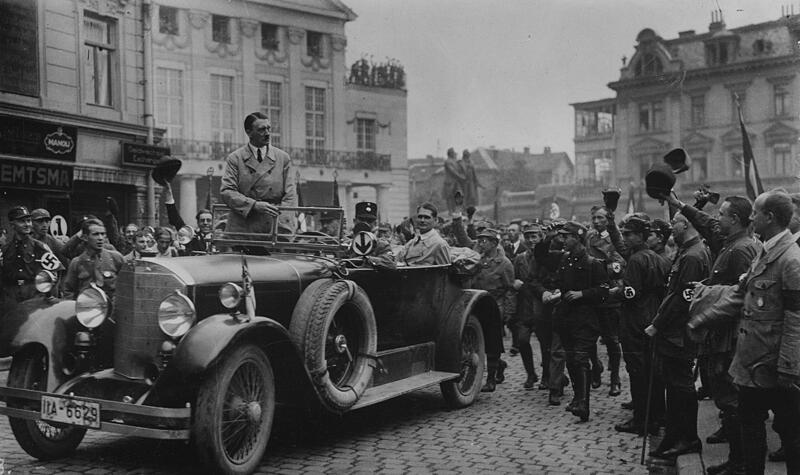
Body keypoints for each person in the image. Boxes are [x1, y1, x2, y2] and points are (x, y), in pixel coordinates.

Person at [689, 191, 800, 474]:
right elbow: (740, 296)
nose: (751, 218)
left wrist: (789, 368)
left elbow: (796, 319)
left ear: (769, 217)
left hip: (777, 367)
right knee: (750, 430)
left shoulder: (791, 259)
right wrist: (703, 319)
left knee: (791, 435)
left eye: (756, 213)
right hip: (752, 363)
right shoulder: (764, 251)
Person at [667, 193, 760, 474]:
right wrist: (682, 205)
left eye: (722, 214)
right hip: (722, 333)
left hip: (730, 336)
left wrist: (708, 294)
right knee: (726, 399)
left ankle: (740, 462)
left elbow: (744, 297)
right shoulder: (732, 244)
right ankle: (737, 459)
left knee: (731, 400)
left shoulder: (741, 250)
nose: (716, 218)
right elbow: (707, 225)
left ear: (734, 220)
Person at [646, 211, 711, 459]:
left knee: (681, 386)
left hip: (680, 332)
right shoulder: (688, 251)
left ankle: (688, 438)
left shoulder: (693, 255)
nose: (672, 227)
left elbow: (681, 299)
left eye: (675, 223)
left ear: (686, 225)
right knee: (674, 386)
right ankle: (675, 435)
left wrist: (657, 325)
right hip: (674, 331)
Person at [612, 216, 670, 436]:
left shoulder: (637, 259)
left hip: (635, 320)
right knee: (651, 372)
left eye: (628, 234)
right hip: (651, 317)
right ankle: (655, 415)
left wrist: (614, 291)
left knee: (637, 372)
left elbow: (630, 292)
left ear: (640, 235)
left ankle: (641, 420)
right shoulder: (657, 257)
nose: (625, 238)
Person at [553, 221, 609, 421]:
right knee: (571, 360)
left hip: (586, 319)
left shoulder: (593, 263)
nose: (563, 240)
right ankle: (577, 398)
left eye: (566, 236)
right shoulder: (565, 260)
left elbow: (603, 291)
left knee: (580, 359)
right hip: (567, 318)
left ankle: (584, 404)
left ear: (577, 238)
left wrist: (582, 294)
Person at [220, 111, 297, 235]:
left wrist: (283, 224)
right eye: (261, 130)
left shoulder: (283, 158)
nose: (267, 134)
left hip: (273, 225)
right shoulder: (235, 158)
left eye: (268, 129)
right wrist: (254, 205)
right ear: (249, 132)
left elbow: (291, 195)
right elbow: (227, 191)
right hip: (243, 226)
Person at [585, 206, 625, 396]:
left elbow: (618, 266)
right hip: (592, 293)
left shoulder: (616, 238)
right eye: (594, 217)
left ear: (608, 219)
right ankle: (596, 367)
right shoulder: (589, 237)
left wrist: (598, 267)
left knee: (611, 340)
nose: (596, 221)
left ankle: (615, 378)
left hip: (610, 293)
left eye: (600, 217)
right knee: (590, 337)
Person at [470, 228, 513, 392]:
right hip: (478, 304)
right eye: (479, 240)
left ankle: (491, 379)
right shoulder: (477, 261)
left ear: (495, 243)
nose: (481, 243)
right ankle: (499, 365)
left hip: (496, 305)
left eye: (485, 240)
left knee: (493, 342)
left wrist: (508, 313)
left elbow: (510, 289)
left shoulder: (504, 263)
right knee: (480, 340)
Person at [1, 206, 56, 303]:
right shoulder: (5, 250)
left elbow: (53, 275)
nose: (27, 224)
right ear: (12, 224)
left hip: (34, 299)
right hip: (11, 300)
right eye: (22, 221)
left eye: (28, 221)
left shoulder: (40, 247)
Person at [512, 222, 544, 389]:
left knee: (545, 343)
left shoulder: (547, 257)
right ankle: (531, 373)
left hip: (542, 307)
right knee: (523, 341)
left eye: (534, 236)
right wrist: (515, 283)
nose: (531, 240)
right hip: (525, 308)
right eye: (528, 237)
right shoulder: (520, 259)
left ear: (541, 238)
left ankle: (547, 375)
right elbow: (515, 279)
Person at [63, 218, 125, 300]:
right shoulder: (77, 263)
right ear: (85, 237)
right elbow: (68, 291)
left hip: (113, 308)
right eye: (95, 234)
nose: (100, 238)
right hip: (87, 308)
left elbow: (127, 285)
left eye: (103, 234)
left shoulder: (116, 258)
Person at [162, 182, 215, 255]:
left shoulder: (219, 237)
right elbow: (176, 220)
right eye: (202, 220)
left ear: (213, 222)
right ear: (198, 223)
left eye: (208, 220)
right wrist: (169, 196)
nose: (205, 223)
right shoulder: (191, 236)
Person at [345, 202, 396, 270]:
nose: (365, 223)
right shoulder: (346, 243)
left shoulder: (381, 245)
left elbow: (390, 263)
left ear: (375, 224)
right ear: (355, 221)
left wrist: (367, 259)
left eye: (369, 221)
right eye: (362, 220)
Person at [443, 147, 465, 214]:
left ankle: (458, 210)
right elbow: (452, 171)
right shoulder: (447, 161)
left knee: (458, 195)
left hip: (456, 181)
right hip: (449, 181)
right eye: (453, 153)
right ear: (450, 154)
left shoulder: (455, 161)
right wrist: (460, 177)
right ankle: (450, 211)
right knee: (449, 196)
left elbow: (459, 169)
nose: (454, 154)